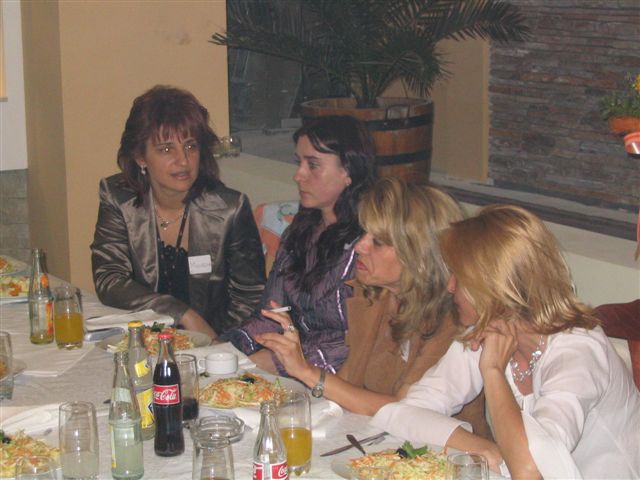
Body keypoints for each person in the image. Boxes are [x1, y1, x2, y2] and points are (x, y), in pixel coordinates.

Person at [371, 205, 640, 478]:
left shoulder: (578, 352)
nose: (450, 287)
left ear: (494, 287)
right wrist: (482, 448)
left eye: (459, 278)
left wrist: (492, 371)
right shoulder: (489, 330)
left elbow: (531, 470)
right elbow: (403, 412)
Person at [255, 177, 491, 439]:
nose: (359, 246)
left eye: (377, 242)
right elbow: (348, 382)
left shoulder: (454, 320)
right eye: (364, 233)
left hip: (442, 452)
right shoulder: (374, 298)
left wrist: (306, 372)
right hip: (376, 438)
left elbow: (405, 409)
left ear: (418, 255)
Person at [91, 85, 266, 338]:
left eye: (190, 146)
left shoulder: (230, 209)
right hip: (143, 339)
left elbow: (249, 296)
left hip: (216, 343)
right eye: (166, 149)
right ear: (140, 157)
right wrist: (182, 314)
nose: (183, 161)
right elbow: (110, 278)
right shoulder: (119, 197)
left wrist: (216, 343)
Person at [223, 115, 377, 374]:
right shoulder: (300, 230)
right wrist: (229, 347)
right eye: (299, 163)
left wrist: (279, 361)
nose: (298, 175)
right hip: (293, 365)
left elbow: (359, 343)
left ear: (348, 172)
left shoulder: (370, 244)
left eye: (313, 165)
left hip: (339, 377)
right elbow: (273, 313)